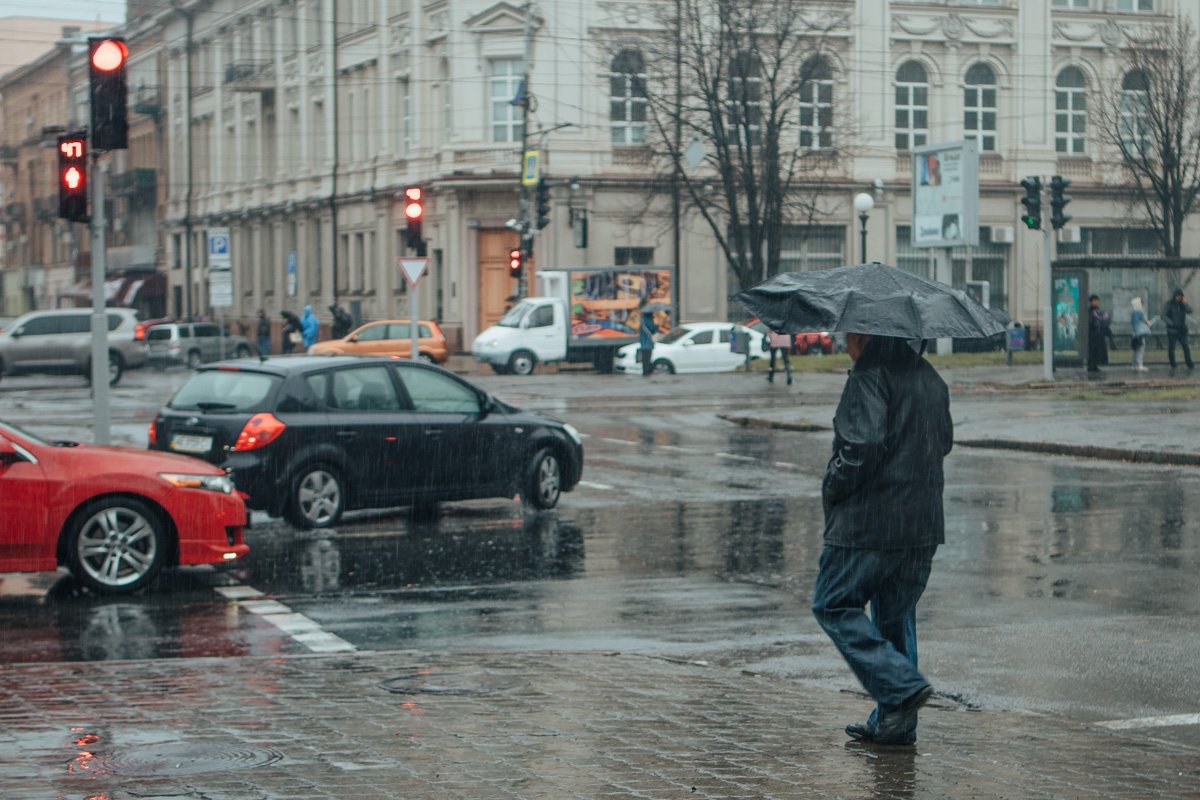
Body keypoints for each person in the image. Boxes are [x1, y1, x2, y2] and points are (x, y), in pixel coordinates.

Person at [811, 333, 953, 747]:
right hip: (921, 523)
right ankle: (895, 723)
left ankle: (900, 687)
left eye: (846, 334)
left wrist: (832, 483)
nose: (843, 342)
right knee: (894, 615)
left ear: (863, 333)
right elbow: (942, 442)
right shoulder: (930, 376)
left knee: (833, 603)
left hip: (870, 523)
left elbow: (863, 445)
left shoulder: (870, 374)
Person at [1163, 288, 1193, 372]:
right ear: (1175, 296)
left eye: (1181, 296)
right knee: (1172, 347)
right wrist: (1171, 323)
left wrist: (1186, 303)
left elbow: (1190, 311)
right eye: (1178, 296)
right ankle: (1173, 364)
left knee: (1186, 347)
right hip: (1172, 330)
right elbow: (1163, 315)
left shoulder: (1183, 304)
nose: (1179, 298)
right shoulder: (1169, 304)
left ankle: (1189, 363)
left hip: (1182, 329)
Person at [1086, 295, 1115, 374]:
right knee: (1092, 351)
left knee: (1098, 352)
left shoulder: (1099, 311)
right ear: (1091, 302)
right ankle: (1091, 366)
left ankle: (1095, 365)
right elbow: (1090, 322)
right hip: (1092, 335)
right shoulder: (1090, 311)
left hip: (1099, 335)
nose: (1096, 303)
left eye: (1097, 301)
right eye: (1095, 301)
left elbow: (1104, 322)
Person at [1130, 297, 1151, 373]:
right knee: (1140, 349)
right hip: (1140, 334)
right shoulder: (1139, 313)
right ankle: (1139, 365)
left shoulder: (1133, 313)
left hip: (1135, 333)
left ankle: (1134, 364)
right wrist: (1148, 323)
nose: (1142, 305)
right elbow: (1145, 321)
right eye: (1141, 304)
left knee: (1136, 349)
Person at [638, 298, 657, 377]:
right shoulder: (648, 319)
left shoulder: (642, 319)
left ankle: (646, 372)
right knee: (647, 360)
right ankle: (647, 373)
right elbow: (652, 329)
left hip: (643, 343)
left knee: (645, 360)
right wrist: (656, 326)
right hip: (648, 343)